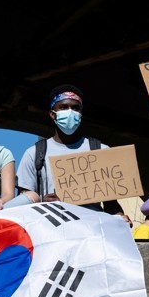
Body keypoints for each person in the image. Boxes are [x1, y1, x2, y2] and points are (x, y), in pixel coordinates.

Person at [15, 84, 123, 215]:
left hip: (92, 228)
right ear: (52, 114)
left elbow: (111, 204)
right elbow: (23, 203)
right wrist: (42, 202)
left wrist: (120, 219)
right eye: (63, 107)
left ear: (81, 114)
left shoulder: (101, 151)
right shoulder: (34, 154)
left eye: (75, 108)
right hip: (53, 228)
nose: (70, 112)